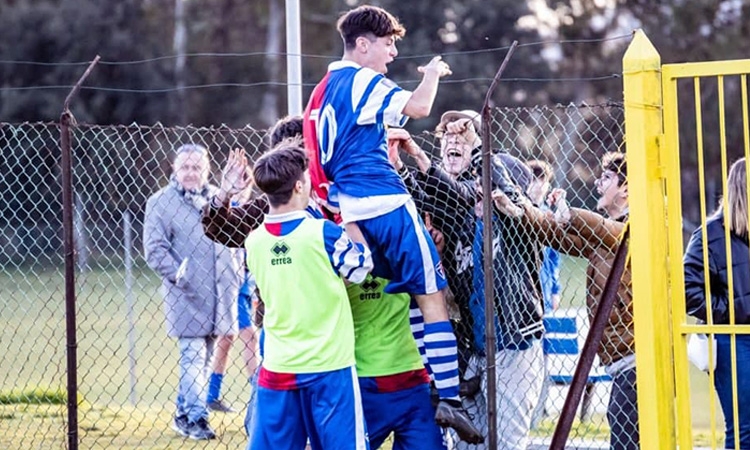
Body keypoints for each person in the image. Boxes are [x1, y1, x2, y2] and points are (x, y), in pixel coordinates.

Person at [302, 6, 481, 442]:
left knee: (402, 291)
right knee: (431, 295)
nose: (393, 52)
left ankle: (433, 379)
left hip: (351, 210)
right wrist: (434, 73)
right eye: (387, 43)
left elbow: (333, 147)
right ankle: (451, 401)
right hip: (385, 202)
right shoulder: (361, 79)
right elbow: (419, 106)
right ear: (362, 44)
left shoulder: (322, 90)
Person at [493, 151, 636, 450]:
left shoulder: (635, 228)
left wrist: (571, 215)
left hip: (636, 361)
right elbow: (557, 235)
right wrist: (520, 212)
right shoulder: (603, 234)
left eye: (606, 178)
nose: (598, 184)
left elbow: (609, 232)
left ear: (626, 188)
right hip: (620, 361)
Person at [244, 141, 373, 450]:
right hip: (329, 367)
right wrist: (352, 221)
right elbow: (361, 267)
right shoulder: (323, 232)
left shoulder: (254, 241)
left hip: (278, 365)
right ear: (300, 186)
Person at [143, 143, 245, 440]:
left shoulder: (217, 197)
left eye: (196, 167)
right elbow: (154, 249)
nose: (190, 172)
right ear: (174, 169)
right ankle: (198, 419)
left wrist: (236, 272)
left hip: (220, 294)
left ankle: (183, 414)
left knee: (204, 358)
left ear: (207, 169)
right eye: (185, 166)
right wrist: (178, 275)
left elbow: (233, 238)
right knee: (192, 355)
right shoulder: (161, 203)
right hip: (186, 295)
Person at [683, 157, 750, 450]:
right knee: (744, 427)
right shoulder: (709, 235)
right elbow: (688, 291)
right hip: (731, 340)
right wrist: (733, 309)